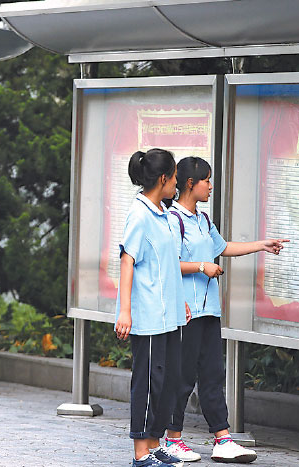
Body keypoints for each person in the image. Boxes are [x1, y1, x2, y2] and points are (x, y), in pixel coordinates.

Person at [164, 157, 288, 464]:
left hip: (209, 312)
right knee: (182, 377)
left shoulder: (203, 220)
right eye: (207, 180)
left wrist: (262, 245)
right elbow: (166, 265)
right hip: (186, 311)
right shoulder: (172, 220)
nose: (211, 186)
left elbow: (223, 247)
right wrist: (202, 267)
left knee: (212, 374)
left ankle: (222, 438)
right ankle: (171, 438)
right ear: (190, 184)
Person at [115, 148, 192, 467]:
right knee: (147, 383)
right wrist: (124, 311)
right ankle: (140, 453)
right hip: (147, 316)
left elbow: (167, 264)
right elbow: (127, 259)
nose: (177, 184)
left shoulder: (162, 212)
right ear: (163, 179)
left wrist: (180, 301)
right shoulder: (139, 214)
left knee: (168, 379)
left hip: (169, 315)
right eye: (175, 178)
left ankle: (156, 444)